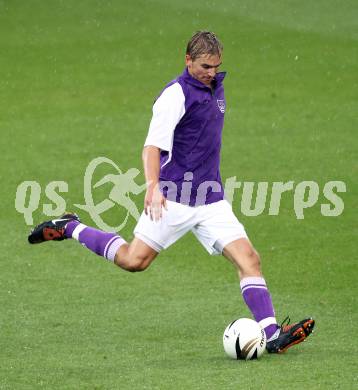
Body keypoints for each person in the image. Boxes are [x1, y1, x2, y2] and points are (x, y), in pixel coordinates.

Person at [28, 31, 314, 353]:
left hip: (210, 198)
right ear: (187, 60)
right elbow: (152, 147)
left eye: (216, 66)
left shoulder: (216, 86)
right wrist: (153, 186)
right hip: (172, 198)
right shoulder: (174, 96)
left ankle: (272, 334)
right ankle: (69, 226)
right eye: (205, 66)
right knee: (133, 260)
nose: (211, 72)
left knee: (249, 259)